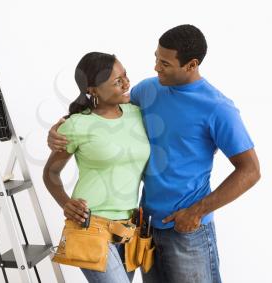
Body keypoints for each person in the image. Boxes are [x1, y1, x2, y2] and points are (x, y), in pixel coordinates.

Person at [47, 25, 261, 283]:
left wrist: (196, 212)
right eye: (156, 58)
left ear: (191, 65)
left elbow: (250, 170)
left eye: (165, 63)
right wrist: (59, 128)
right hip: (144, 226)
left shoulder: (218, 108)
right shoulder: (146, 91)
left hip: (187, 231)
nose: (156, 67)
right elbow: (103, 113)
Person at [43, 52, 150, 283]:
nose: (126, 84)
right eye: (116, 81)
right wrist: (65, 202)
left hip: (128, 230)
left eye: (125, 76)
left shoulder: (137, 113)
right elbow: (51, 172)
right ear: (92, 90)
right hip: (90, 226)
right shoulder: (77, 125)